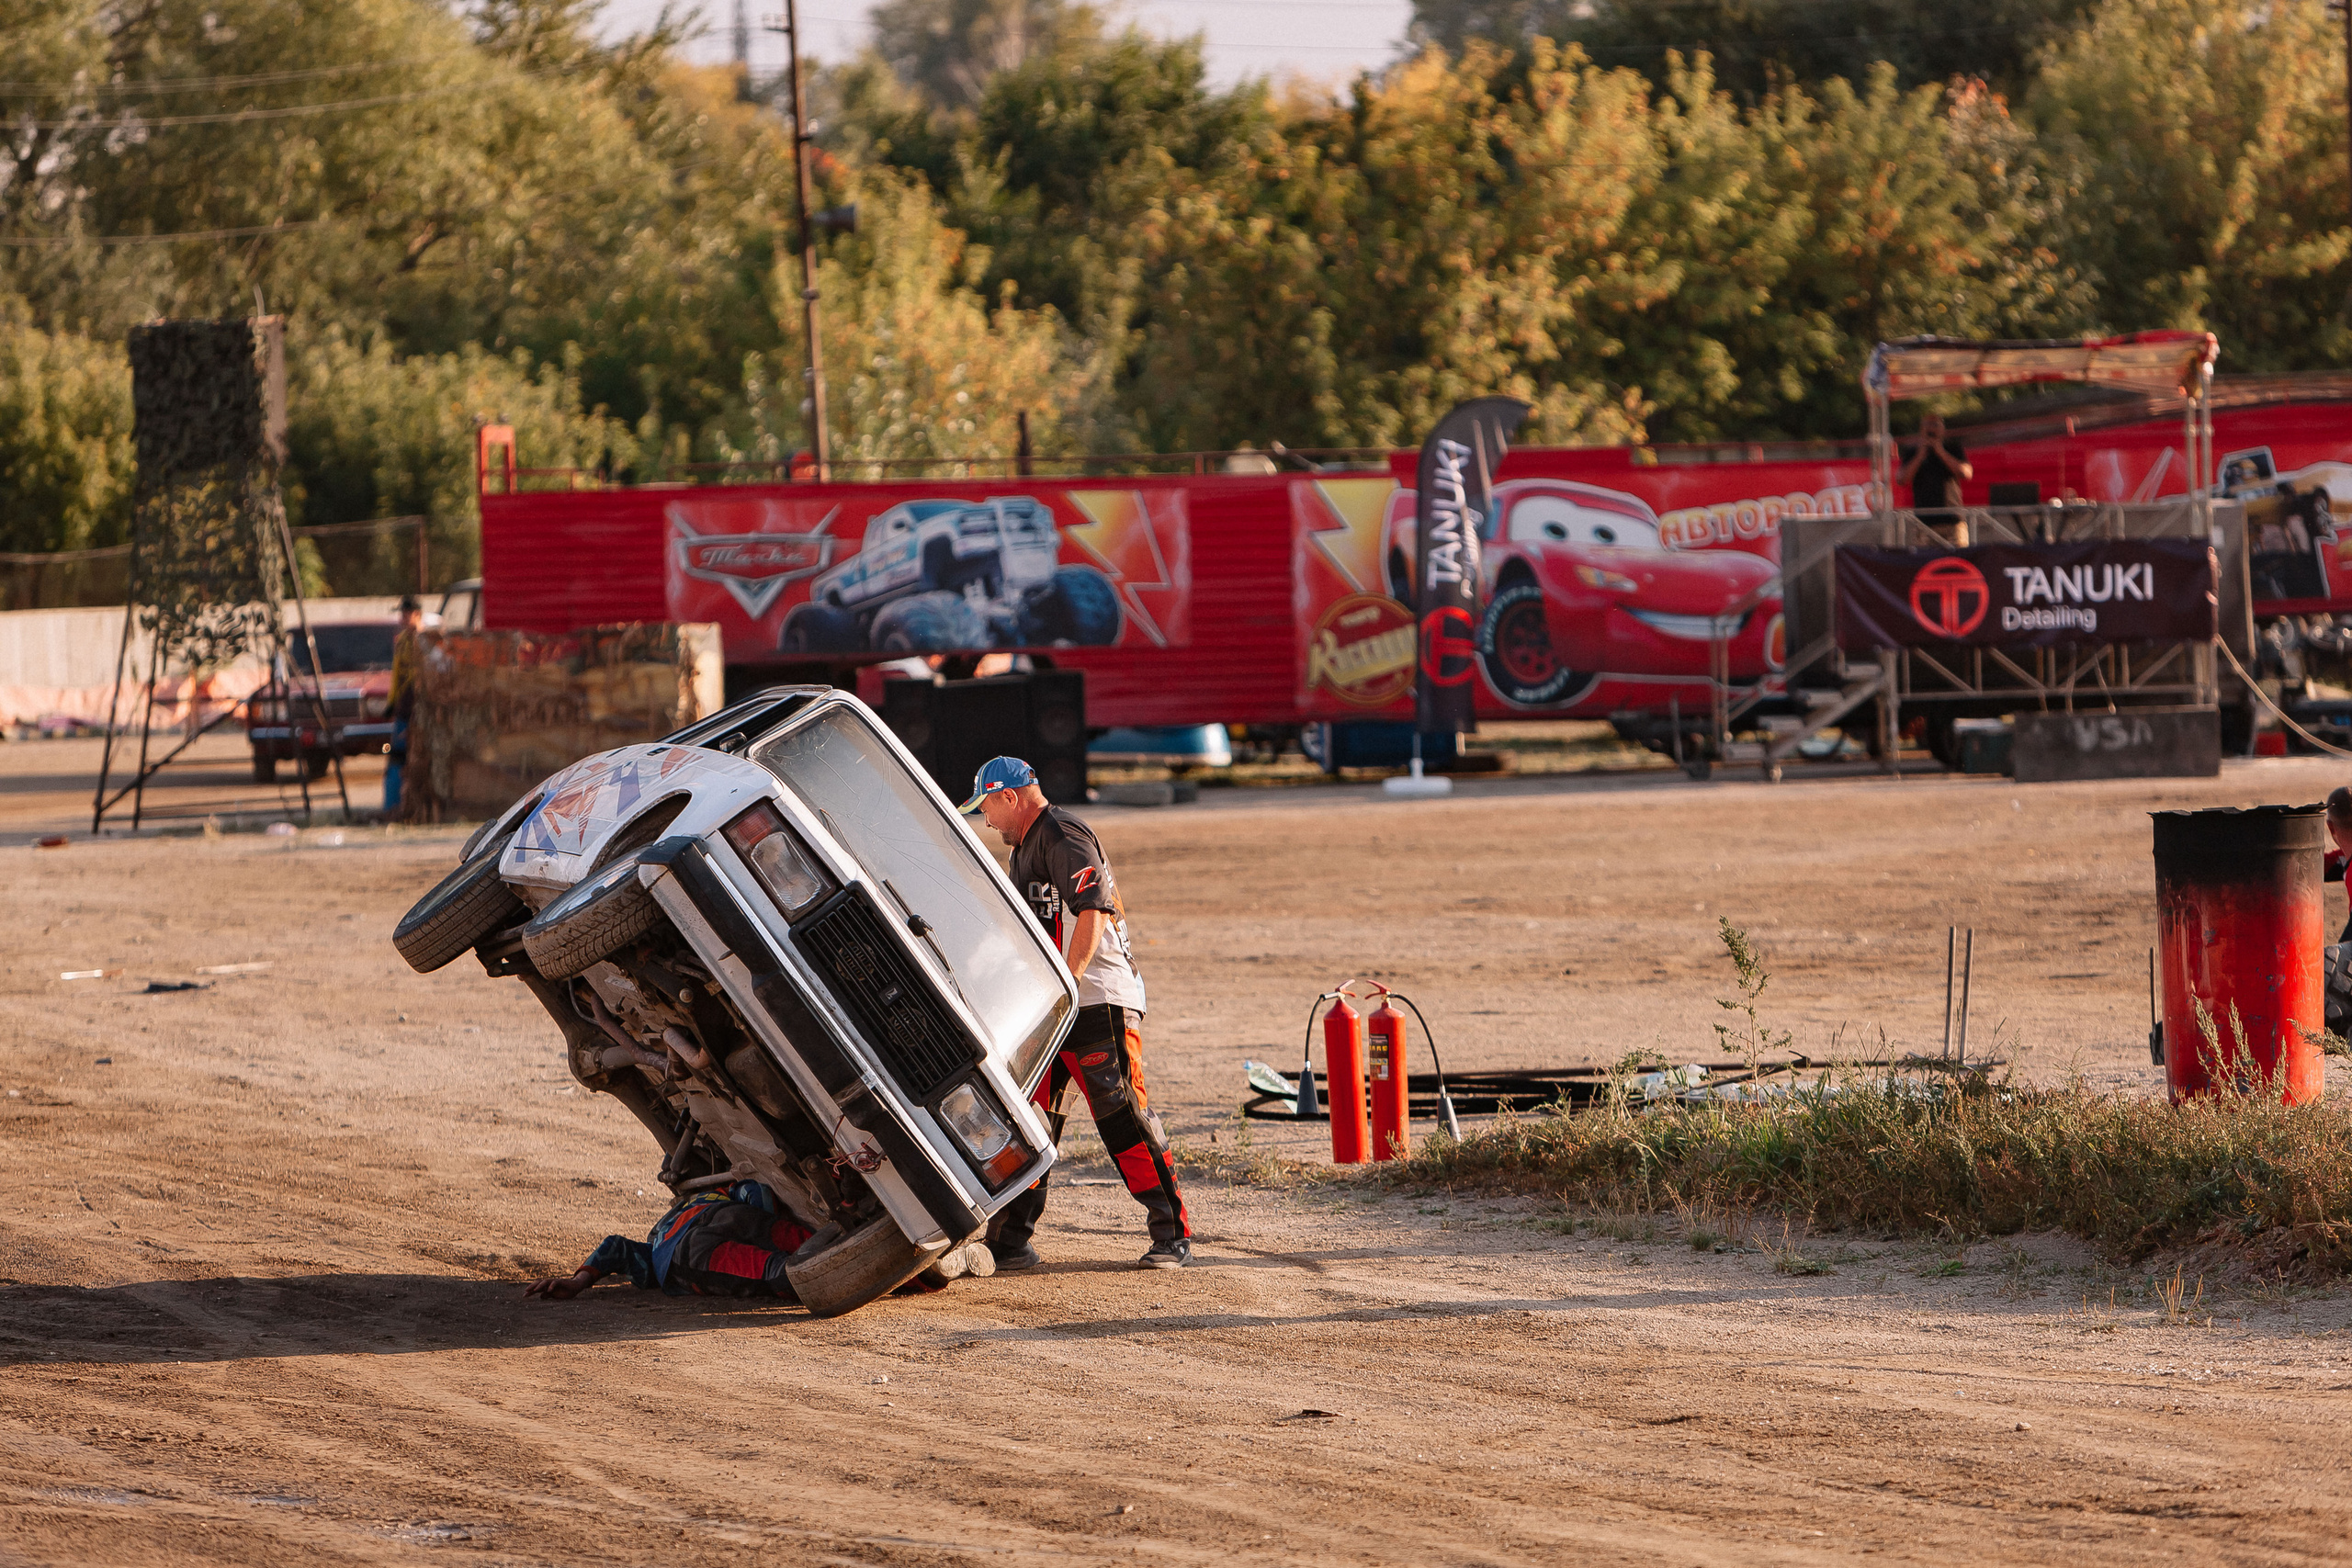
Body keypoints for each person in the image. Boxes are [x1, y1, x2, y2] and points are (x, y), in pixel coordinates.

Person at [962, 756, 1193, 1270]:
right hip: (1054, 1008)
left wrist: (1066, 983)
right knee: (1030, 1123)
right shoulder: (1023, 849)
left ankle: (1172, 1234)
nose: (987, 822)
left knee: (1122, 1116)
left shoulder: (1061, 831)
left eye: (988, 809)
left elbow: (1093, 909)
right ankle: (1010, 1239)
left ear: (1011, 796)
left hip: (1096, 1001)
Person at [524, 1180, 994, 1302]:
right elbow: (760, 1194)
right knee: (826, 1247)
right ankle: (931, 1260)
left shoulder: (657, 1246)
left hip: (691, 1255)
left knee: (789, 1278)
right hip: (733, 1214)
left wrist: (579, 1280)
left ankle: (932, 1270)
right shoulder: (705, 1196)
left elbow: (614, 1250)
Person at [385, 594, 424, 817]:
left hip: (418, 711)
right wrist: (392, 703)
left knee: (413, 758)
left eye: (406, 613)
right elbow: (397, 676)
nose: (402, 617)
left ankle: (409, 806)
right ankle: (393, 806)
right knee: (397, 757)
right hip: (403, 707)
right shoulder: (402, 642)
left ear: (416, 614)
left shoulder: (426, 641)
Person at [1901, 414, 1973, 525]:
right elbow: (1902, 479)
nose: (1931, 429)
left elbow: (1966, 473)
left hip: (1952, 519)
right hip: (1924, 521)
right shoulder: (1913, 452)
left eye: (1935, 425)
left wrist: (1941, 452)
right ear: (1921, 429)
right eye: (1927, 425)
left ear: (1942, 429)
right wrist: (1919, 457)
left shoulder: (1952, 448)